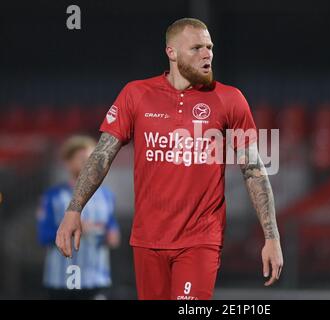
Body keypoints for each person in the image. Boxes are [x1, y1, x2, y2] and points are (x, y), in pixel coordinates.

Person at [55, 18, 283, 300]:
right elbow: (102, 155)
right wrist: (74, 209)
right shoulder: (136, 94)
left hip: (200, 240)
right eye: (197, 47)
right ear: (171, 52)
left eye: (210, 47)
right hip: (147, 240)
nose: (207, 54)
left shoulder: (229, 99)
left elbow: (254, 170)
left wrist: (271, 237)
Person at [37, 135, 120, 299]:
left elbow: (112, 230)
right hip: (62, 281)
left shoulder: (106, 196)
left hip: (96, 279)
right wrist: (73, 229)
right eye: (82, 159)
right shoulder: (53, 197)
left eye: (91, 159)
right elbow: (44, 236)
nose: (88, 163)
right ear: (68, 162)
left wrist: (111, 236)